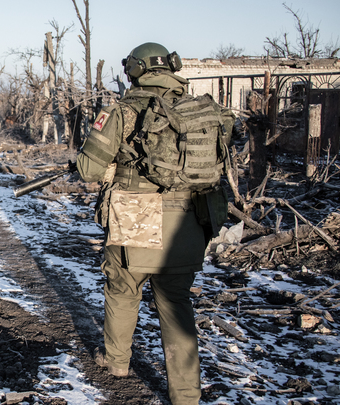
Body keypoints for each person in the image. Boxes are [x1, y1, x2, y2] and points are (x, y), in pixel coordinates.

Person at [76, 42, 235, 405]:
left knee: (123, 288)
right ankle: (186, 395)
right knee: (176, 304)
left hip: (136, 217)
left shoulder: (123, 110)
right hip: (190, 222)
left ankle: (116, 361)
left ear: (134, 70)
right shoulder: (201, 112)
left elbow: (88, 169)